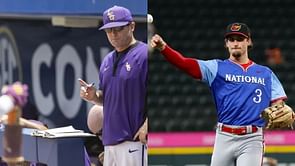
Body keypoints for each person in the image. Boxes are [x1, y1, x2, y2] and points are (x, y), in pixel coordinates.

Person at [151, 23, 288, 166]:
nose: (235, 43)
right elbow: (185, 64)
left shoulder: (266, 73)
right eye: (231, 39)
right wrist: (164, 48)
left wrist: (278, 108)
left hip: (252, 138)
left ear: (248, 41)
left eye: (240, 39)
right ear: (226, 44)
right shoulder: (216, 67)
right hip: (224, 136)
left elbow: (279, 103)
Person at [79, 5, 148, 166]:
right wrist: (94, 96)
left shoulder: (143, 55)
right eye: (109, 30)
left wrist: (147, 125)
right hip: (110, 141)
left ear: (132, 26)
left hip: (134, 140)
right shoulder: (107, 61)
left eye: (118, 29)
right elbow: (108, 98)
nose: (113, 34)